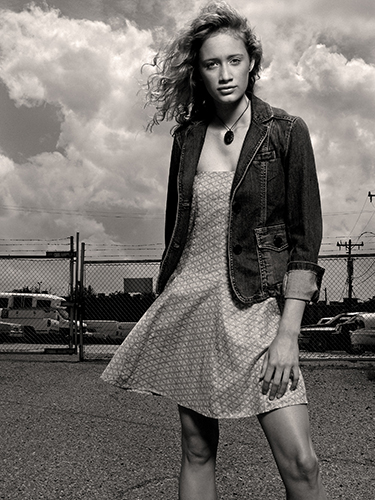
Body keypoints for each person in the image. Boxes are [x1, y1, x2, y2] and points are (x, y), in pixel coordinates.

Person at [101, 2, 327, 499]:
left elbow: (305, 244)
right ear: (197, 72)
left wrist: (288, 332)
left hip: (258, 308)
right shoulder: (187, 139)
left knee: (302, 464)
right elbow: (176, 233)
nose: (224, 74)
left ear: (252, 63)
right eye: (211, 63)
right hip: (193, 306)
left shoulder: (287, 132)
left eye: (234, 60)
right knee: (198, 449)